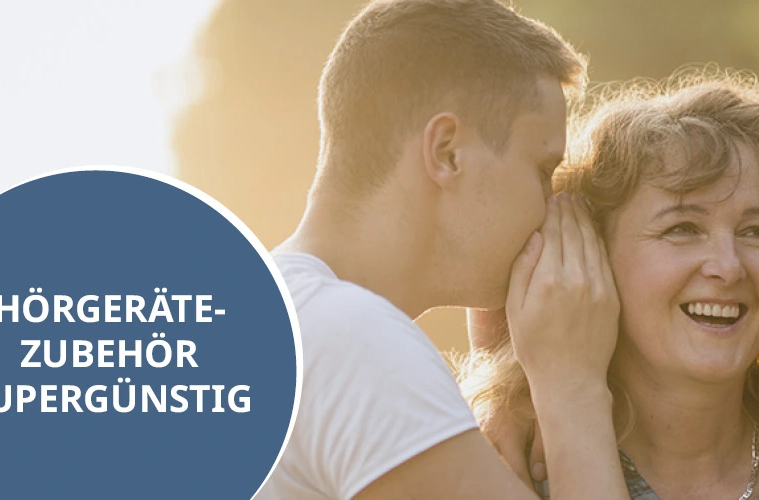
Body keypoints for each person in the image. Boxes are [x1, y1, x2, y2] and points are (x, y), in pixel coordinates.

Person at [462, 71, 759, 499]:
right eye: (681, 228)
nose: (728, 267)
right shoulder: (506, 469)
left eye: (757, 232)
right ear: (591, 259)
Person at [259, 0, 630, 498]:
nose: (552, 208)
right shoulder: (355, 343)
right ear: (447, 153)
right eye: (542, 171)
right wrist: (572, 389)